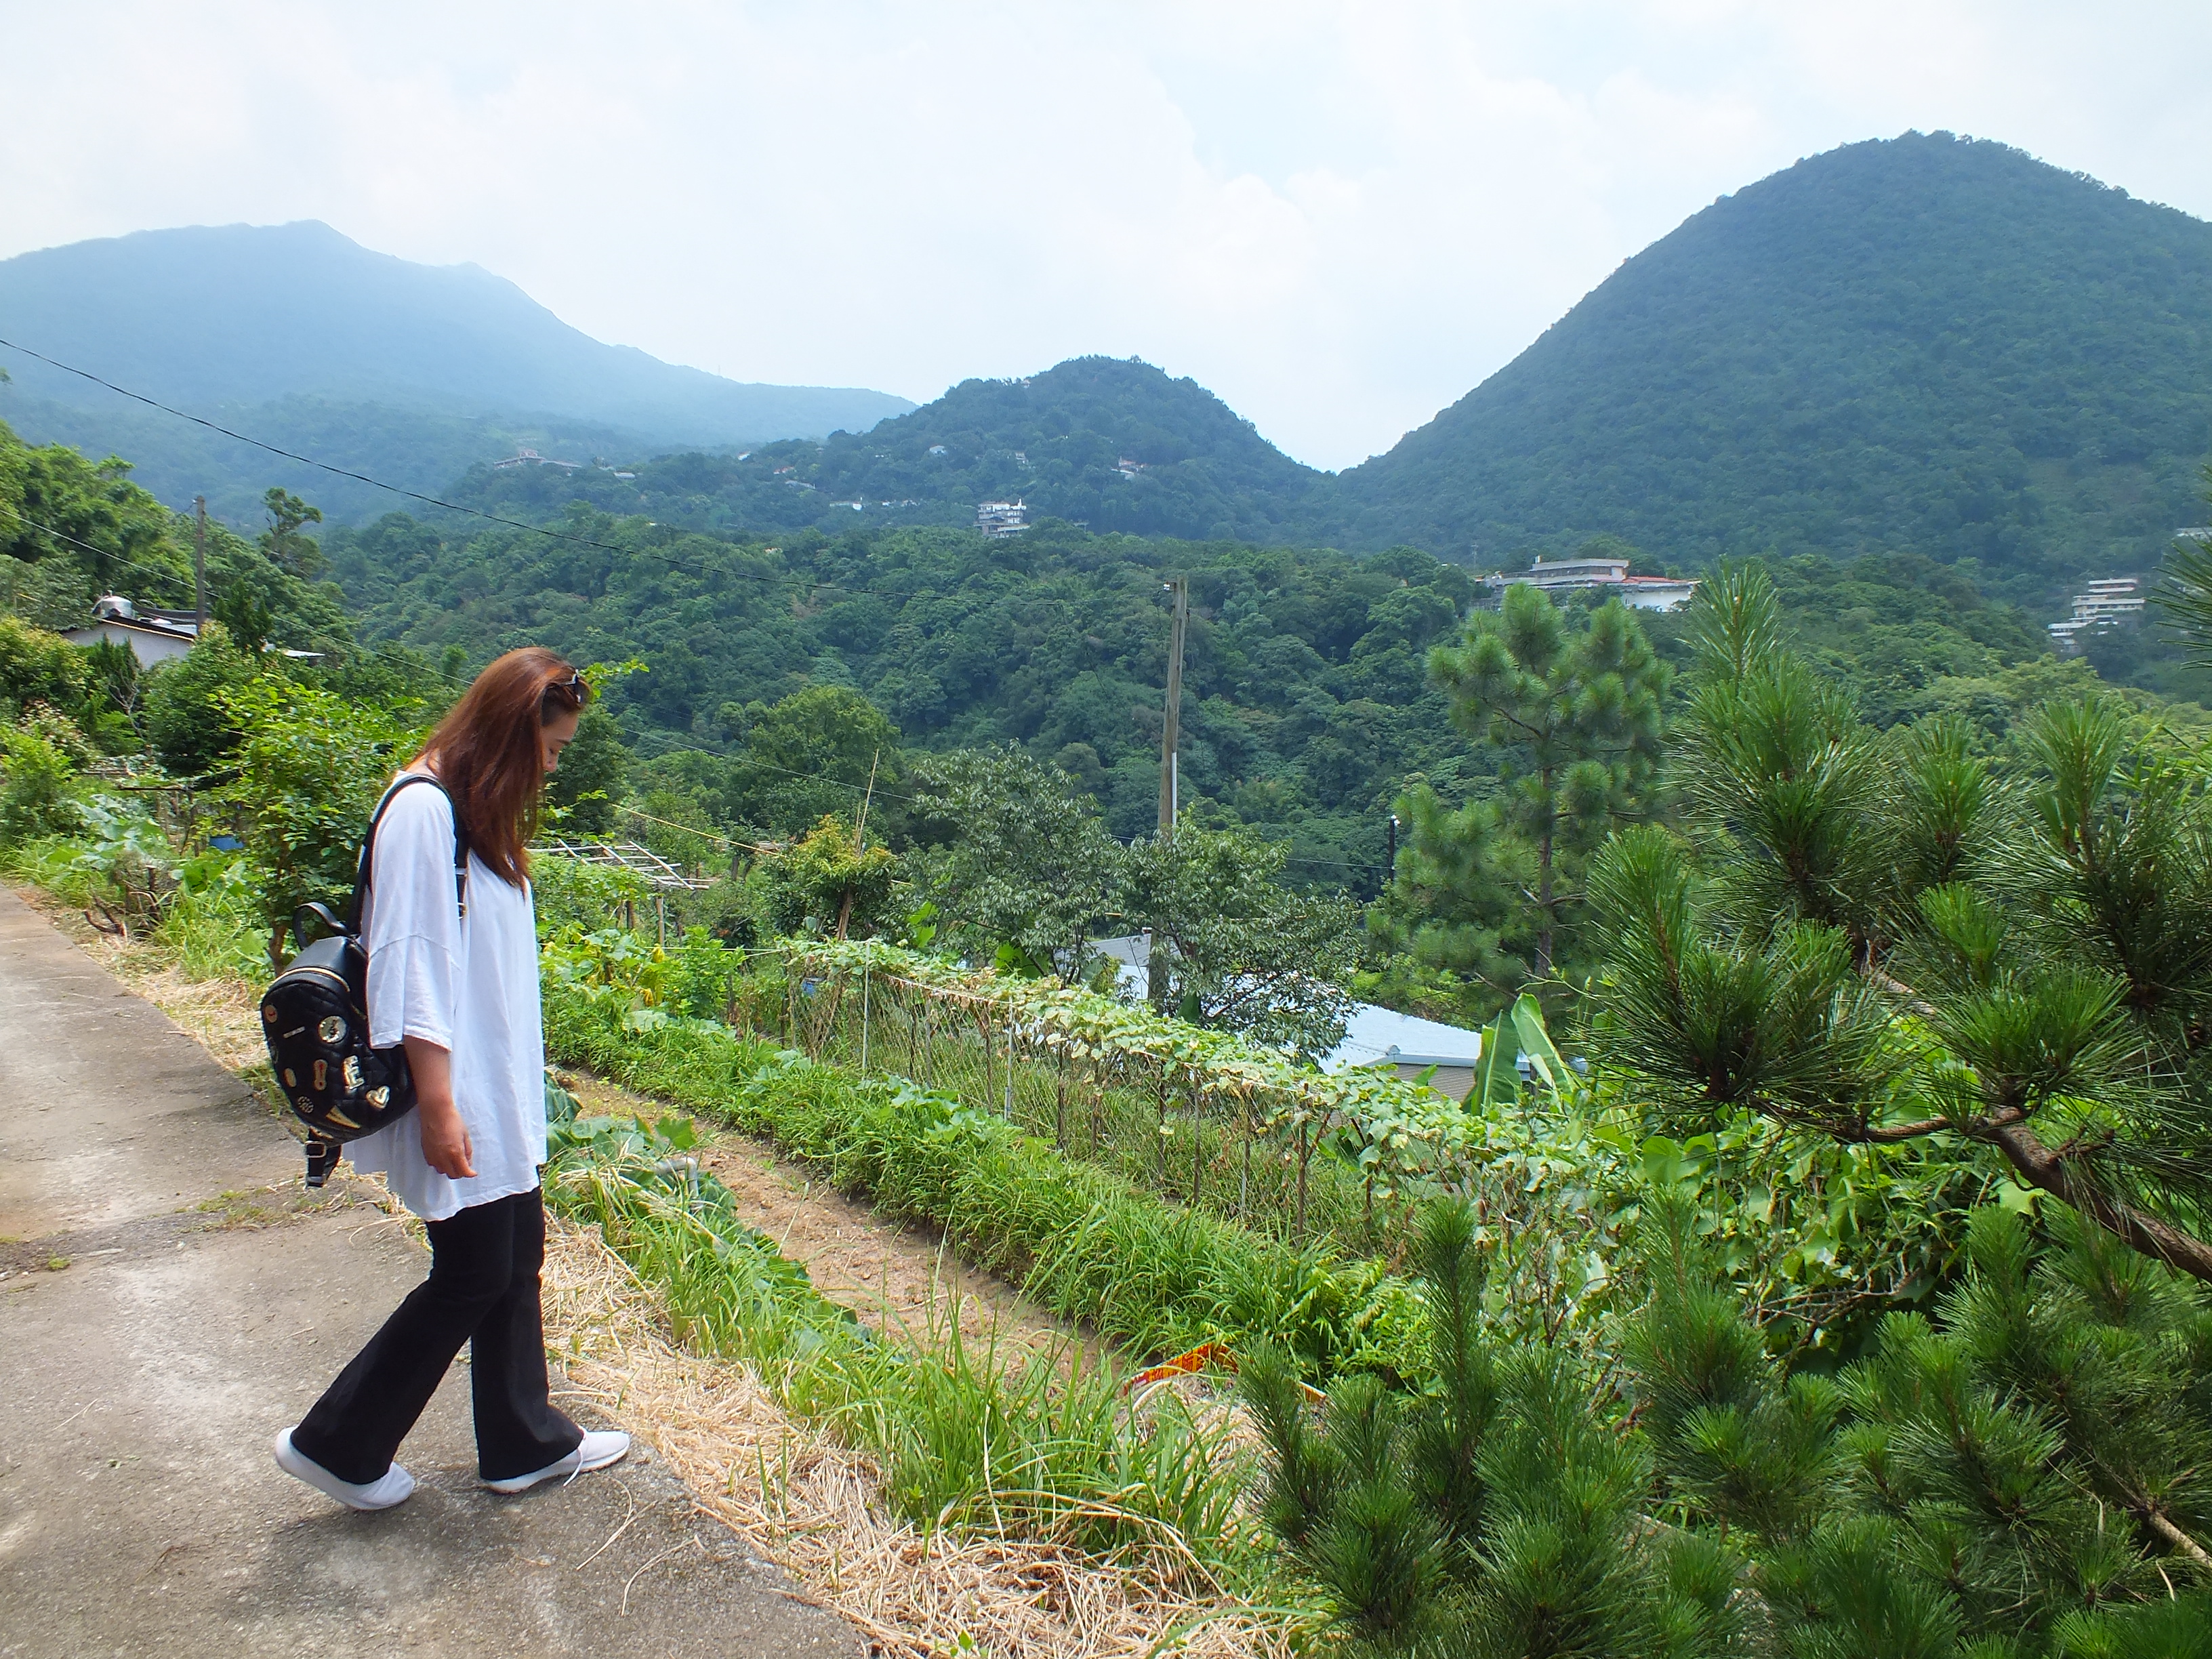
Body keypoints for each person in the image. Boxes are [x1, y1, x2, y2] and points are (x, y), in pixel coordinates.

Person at [272, 647, 629, 1511]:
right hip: (457, 1092)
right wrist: (439, 1107)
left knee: (513, 1261)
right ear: (508, 735)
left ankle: (521, 1442)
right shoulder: (424, 813)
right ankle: (338, 1445)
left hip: (490, 1089)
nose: (553, 766)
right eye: (550, 748)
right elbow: (414, 966)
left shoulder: (470, 812)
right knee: (472, 1275)